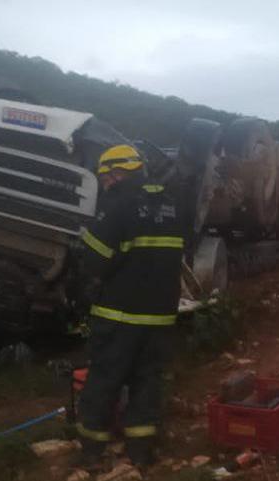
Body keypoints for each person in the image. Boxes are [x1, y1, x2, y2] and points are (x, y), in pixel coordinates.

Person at [76, 144, 185, 468]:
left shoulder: (119, 206)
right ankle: (141, 451)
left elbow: (94, 262)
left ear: (118, 172)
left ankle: (92, 452)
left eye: (106, 177)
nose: (106, 184)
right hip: (160, 318)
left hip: (119, 316)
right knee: (147, 382)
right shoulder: (172, 207)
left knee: (104, 380)